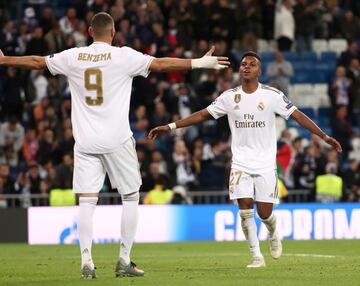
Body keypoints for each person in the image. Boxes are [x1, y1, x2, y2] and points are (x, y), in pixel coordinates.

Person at [0, 12, 229, 279]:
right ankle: (123, 259)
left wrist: (5, 60)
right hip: (117, 139)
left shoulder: (73, 56)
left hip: (85, 141)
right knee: (130, 197)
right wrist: (198, 63)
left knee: (87, 201)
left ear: (89, 32)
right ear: (113, 33)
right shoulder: (123, 56)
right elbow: (161, 64)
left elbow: (38, 62)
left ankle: (86, 261)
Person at [148, 51, 342, 268]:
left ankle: (272, 230)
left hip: (266, 163)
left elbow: (297, 116)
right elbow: (203, 114)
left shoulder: (272, 95)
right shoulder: (229, 97)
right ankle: (256, 256)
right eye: (243, 64)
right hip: (240, 162)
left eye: (252, 64)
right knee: (245, 208)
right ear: (239, 70)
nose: (247, 67)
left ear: (259, 71)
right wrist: (171, 126)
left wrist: (324, 136)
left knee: (264, 212)